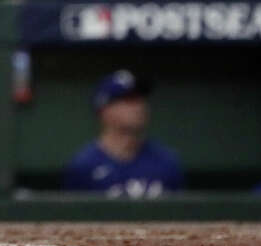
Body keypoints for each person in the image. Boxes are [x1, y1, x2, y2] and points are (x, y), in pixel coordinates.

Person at [63, 70, 185, 198]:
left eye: (140, 99)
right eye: (129, 100)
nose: (139, 106)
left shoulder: (166, 162)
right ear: (104, 110)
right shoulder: (84, 166)